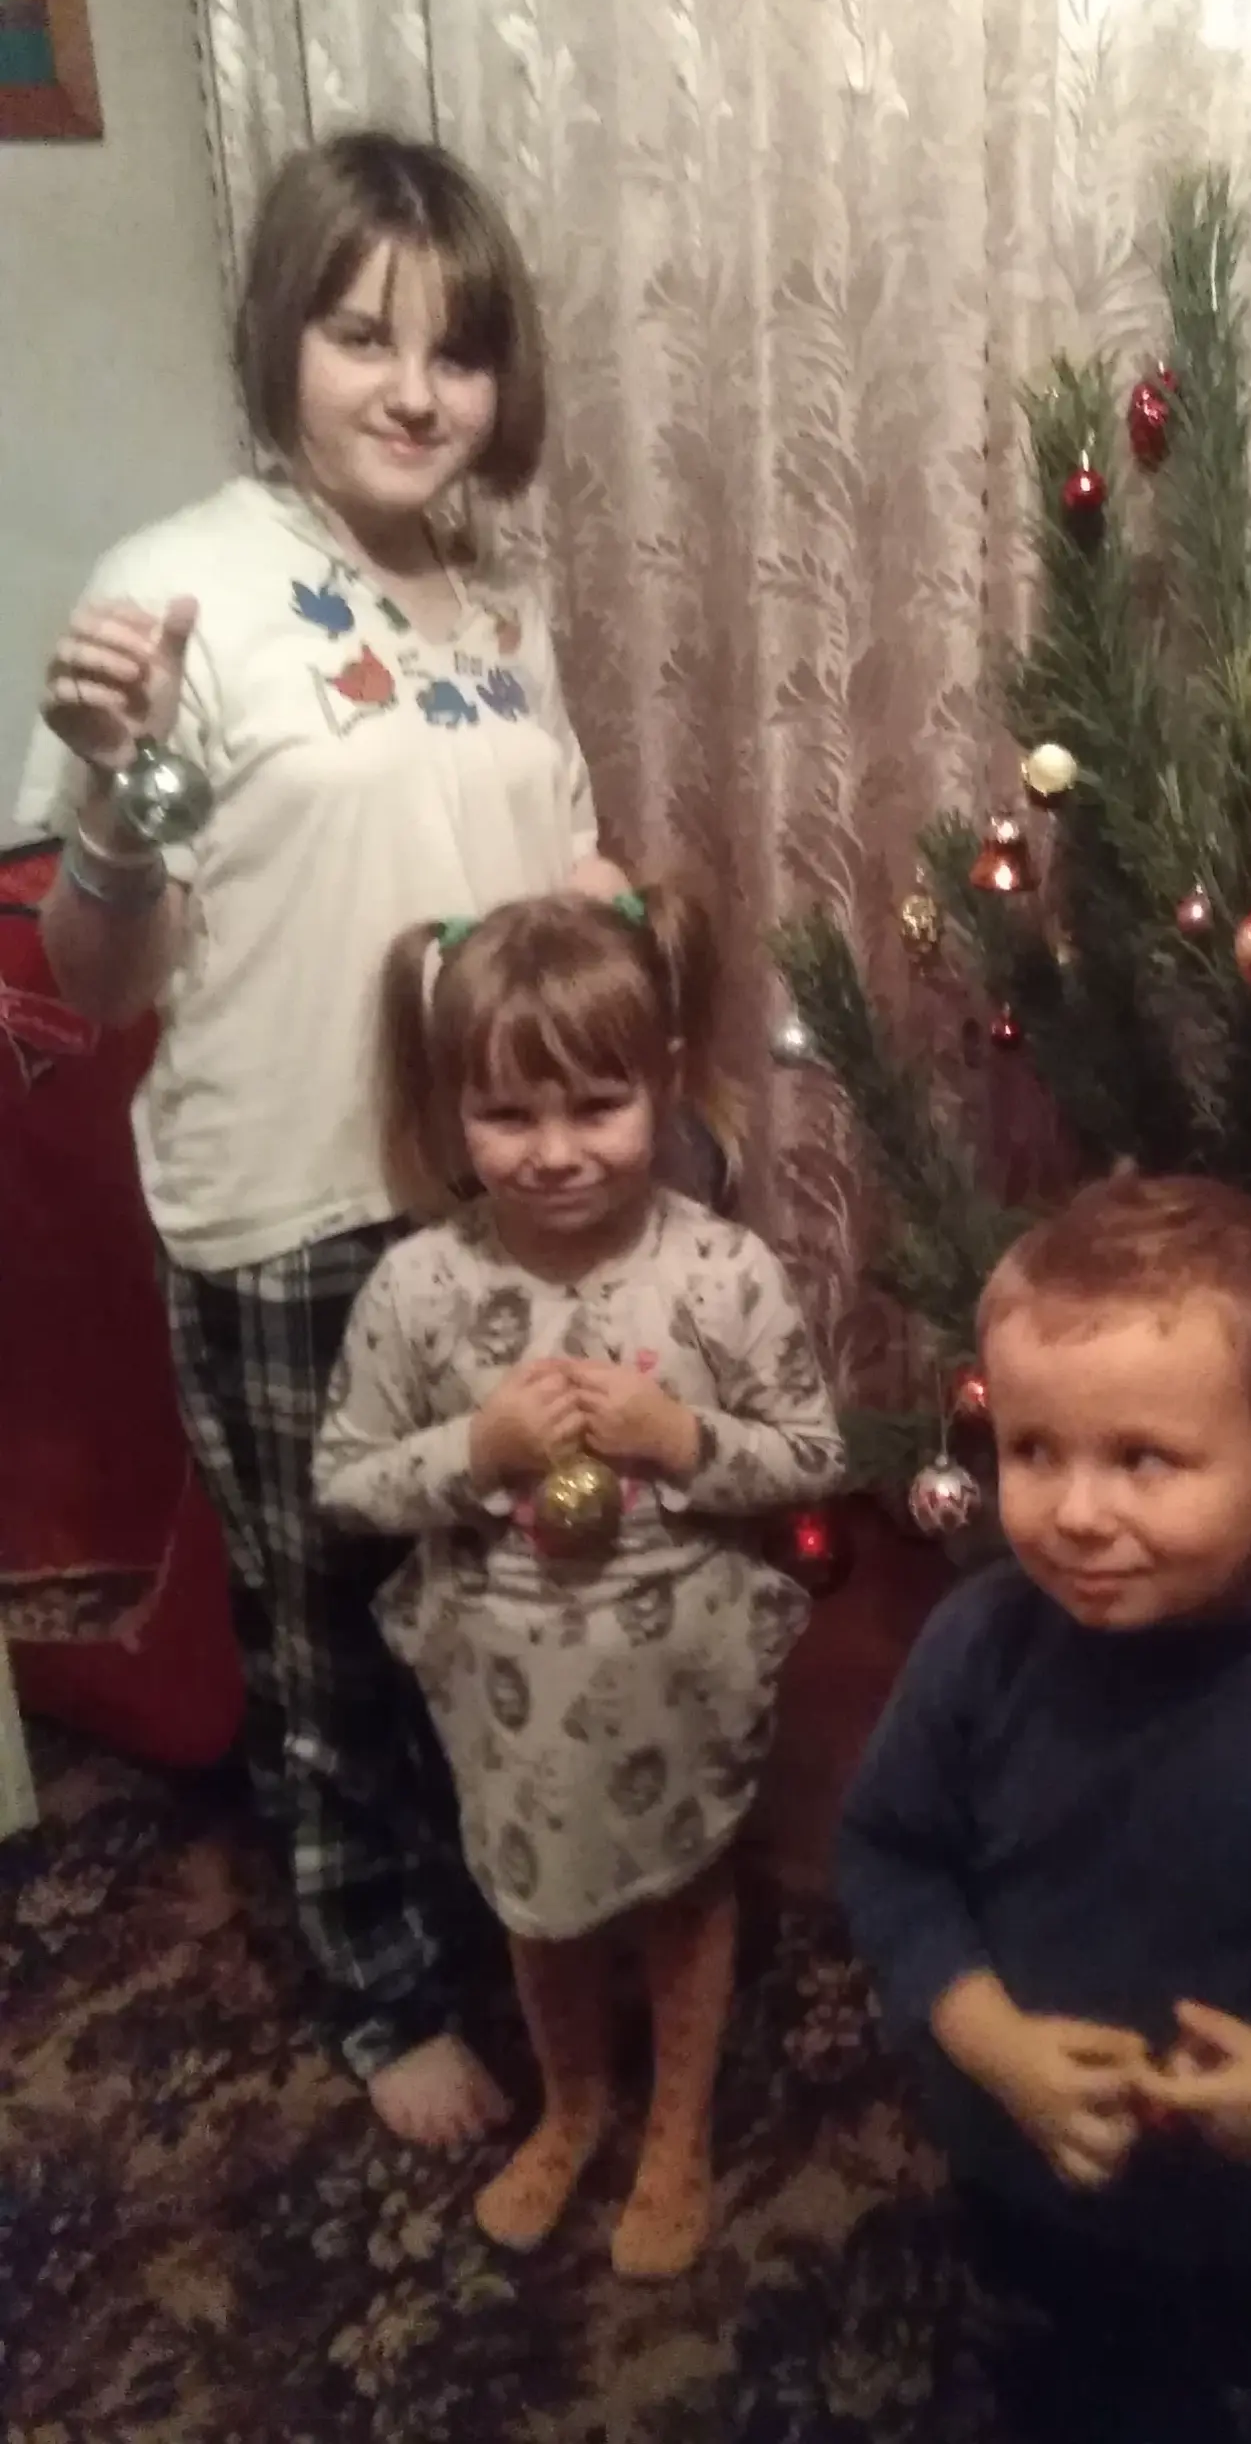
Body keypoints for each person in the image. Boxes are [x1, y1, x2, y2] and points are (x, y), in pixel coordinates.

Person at [19, 130, 633, 2146]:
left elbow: (553, 884)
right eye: (362, 334)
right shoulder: (170, 592)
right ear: (282, 333)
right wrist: (110, 796)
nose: (413, 389)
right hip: (290, 1208)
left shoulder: (499, 610)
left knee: (506, 1581)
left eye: (456, 350)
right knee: (337, 1636)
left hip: (498, 1203)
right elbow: (101, 974)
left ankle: (516, 1906)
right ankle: (377, 1990)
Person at [838, 1173, 1251, 2442]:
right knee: (1033, 2368)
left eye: (1144, 1457)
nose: (1077, 1512)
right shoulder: (974, 1648)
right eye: (1034, 1450)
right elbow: (889, 1856)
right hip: (1014, 2149)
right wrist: (994, 2042)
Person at [313, 890, 846, 2273]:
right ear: (449, 1107)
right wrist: (476, 1449)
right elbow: (347, 1481)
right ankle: (574, 2102)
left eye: (597, 1106)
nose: (553, 1153)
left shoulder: (725, 1272)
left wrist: (682, 1439)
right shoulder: (417, 1289)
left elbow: (813, 1453)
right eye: (506, 1115)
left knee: (681, 1891)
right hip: (505, 1686)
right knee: (535, 1906)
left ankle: (677, 2125)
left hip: (680, 1669)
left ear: (661, 1080)